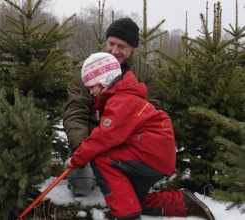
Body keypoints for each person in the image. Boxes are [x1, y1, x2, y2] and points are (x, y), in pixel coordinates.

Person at [64, 51, 215, 220]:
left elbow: (104, 137)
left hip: (149, 154)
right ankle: (183, 203)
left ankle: (126, 215)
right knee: (130, 198)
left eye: (92, 86)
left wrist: (76, 158)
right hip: (156, 155)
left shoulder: (120, 100)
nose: (91, 92)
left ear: (103, 81)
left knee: (101, 158)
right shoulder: (123, 96)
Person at [63, 17, 140, 197]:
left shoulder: (144, 73)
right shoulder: (88, 70)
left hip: (125, 143)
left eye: (122, 46)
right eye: (111, 43)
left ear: (133, 49)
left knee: (131, 191)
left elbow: (149, 112)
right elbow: (75, 112)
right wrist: (82, 149)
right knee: (82, 187)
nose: (114, 51)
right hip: (90, 140)